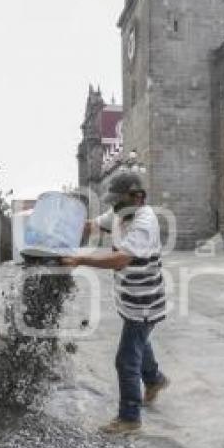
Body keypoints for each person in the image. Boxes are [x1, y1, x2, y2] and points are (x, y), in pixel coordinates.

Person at [61, 172, 168, 434]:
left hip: (145, 302)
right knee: (139, 342)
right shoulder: (121, 213)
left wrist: (81, 260)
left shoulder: (145, 222)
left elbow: (120, 260)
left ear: (137, 196)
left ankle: (129, 418)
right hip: (130, 299)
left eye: (117, 201)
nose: (114, 207)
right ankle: (155, 379)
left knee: (126, 360)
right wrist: (64, 229)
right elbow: (92, 225)